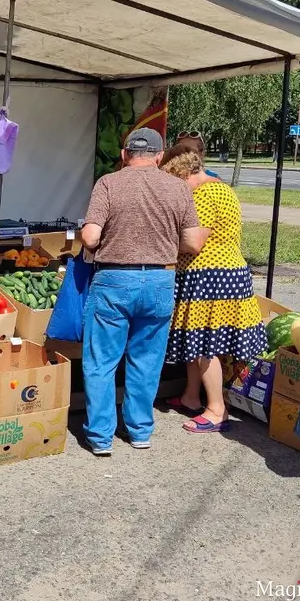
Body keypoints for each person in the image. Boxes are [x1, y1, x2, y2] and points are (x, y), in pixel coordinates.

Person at [80, 128, 205, 455]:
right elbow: (193, 242)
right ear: (159, 156)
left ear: (124, 155)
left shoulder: (108, 183)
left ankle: (100, 437)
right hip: (159, 283)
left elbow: (91, 237)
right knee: (147, 362)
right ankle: (139, 431)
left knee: (101, 362)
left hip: (114, 282)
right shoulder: (178, 187)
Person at [160, 142, 266, 433]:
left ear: (180, 173)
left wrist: (161, 241)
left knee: (206, 345)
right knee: (197, 342)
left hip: (211, 277)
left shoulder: (205, 193)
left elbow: (194, 242)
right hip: (218, 274)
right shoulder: (221, 188)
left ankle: (216, 409)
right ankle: (191, 397)